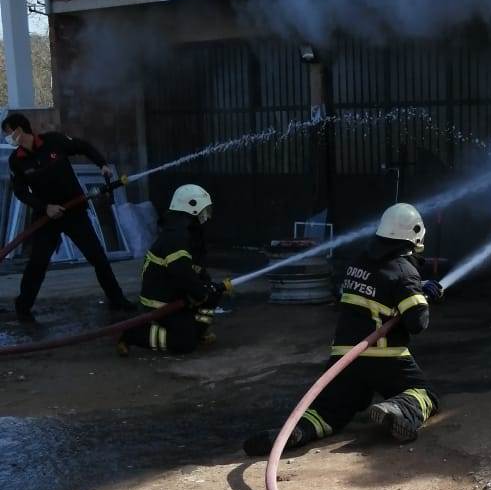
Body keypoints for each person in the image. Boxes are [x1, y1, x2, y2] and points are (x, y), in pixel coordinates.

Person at [243, 202, 443, 456]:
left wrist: (415, 290)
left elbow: (380, 288)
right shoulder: (404, 271)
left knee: (329, 411)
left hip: (344, 358)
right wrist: (423, 297)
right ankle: (397, 409)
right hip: (384, 357)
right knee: (426, 394)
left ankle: (301, 430)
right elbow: (418, 323)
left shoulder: (359, 262)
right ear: (414, 235)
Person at [2, 111, 135, 321]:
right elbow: (20, 191)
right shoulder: (16, 160)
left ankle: (118, 300)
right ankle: (23, 308)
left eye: (8, 133)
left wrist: (102, 164)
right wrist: (45, 207)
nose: (7, 138)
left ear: (19, 130)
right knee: (37, 264)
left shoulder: (53, 142)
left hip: (74, 212)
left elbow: (83, 146)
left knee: (98, 257)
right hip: (47, 217)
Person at [119, 184, 229, 356]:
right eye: (204, 209)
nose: (206, 214)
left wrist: (208, 287)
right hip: (160, 303)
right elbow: (181, 273)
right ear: (191, 207)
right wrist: (202, 292)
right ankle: (135, 334)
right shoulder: (175, 236)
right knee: (183, 344)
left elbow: (195, 268)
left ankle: (197, 333)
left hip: (175, 294)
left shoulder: (189, 232)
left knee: (212, 294)